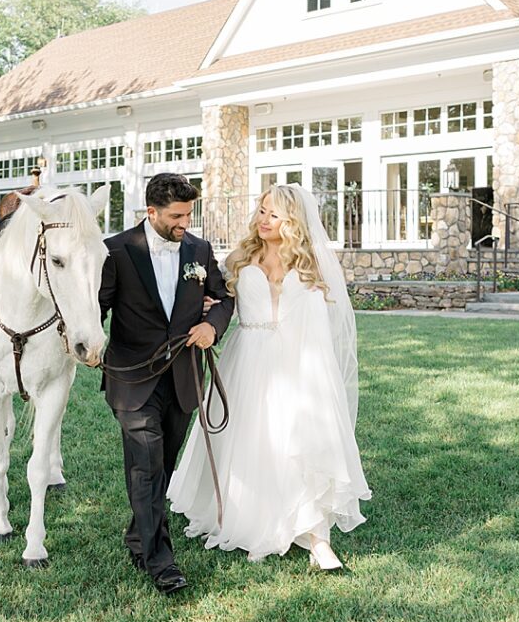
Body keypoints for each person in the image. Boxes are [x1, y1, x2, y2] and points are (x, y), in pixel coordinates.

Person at [168, 184, 371, 570]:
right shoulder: (241, 258)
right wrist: (211, 305)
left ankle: (318, 540)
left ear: (292, 221)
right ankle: (251, 515)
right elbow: (222, 299)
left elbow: (325, 322)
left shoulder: (311, 265)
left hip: (299, 361)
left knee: (304, 444)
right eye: (262, 211)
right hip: (248, 359)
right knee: (250, 441)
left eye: (274, 214)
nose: (264, 220)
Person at [98, 173, 234, 595]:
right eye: (176, 215)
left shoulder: (199, 249)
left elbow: (224, 297)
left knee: (163, 465)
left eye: (188, 214)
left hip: (182, 377)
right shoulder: (116, 251)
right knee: (146, 467)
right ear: (151, 212)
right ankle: (161, 563)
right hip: (132, 378)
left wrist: (212, 325)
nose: (184, 223)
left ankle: (139, 537)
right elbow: (95, 306)